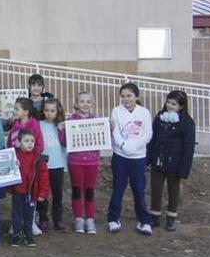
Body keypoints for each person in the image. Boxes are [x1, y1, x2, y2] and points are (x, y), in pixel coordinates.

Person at [107, 82, 154, 236]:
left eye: (129, 96)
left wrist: (135, 147)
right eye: (123, 96)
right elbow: (115, 131)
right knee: (118, 188)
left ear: (136, 96)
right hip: (120, 156)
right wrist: (124, 146)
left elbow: (147, 133)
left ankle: (144, 221)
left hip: (138, 157)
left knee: (139, 189)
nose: (126, 99)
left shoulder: (144, 112)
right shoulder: (116, 111)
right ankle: (113, 219)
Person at [147, 90, 196, 232]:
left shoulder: (187, 122)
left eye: (173, 104)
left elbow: (188, 147)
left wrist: (184, 169)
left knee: (173, 190)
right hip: (158, 161)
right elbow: (153, 139)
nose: (170, 105)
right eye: (168, 102)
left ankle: (171, 219)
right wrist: (149, 158)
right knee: (155, 189)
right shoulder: (159, 118)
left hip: (175, 163)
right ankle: (155, 217)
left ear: (181, 106)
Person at [67, 91, 100, 235]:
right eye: (82, 101)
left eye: (88, 101)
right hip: (75, 161)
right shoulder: (70, 121)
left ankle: (90, 219)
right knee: (76, 190)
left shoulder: (96, 120)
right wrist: (62, 130)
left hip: (92, 161)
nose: (85, 104)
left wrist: (109, 129)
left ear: (92, 104)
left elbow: (104, 137)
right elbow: (64, 141)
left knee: (89, 191)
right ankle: (79, 218)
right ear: (76, 104)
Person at [9, 129, 49, 247]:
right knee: (16, 214)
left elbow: (44, 177)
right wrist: (13, 165)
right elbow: (7, 173)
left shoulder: (39, 159)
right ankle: (16, 234)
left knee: (29, 215)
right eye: (26, 141)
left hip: (31, 192)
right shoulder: (14, 157)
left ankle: (28, 235)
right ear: (19, 142)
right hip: (17, 191)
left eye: (32, 141)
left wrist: (43, 193)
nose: (30, 143)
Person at [40, 98, 69, 233]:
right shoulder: (39, 124)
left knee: (57, 194)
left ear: (58, 111)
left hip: (58, 164)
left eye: (52, 111)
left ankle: (57, 219)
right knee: (43, 194)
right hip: (43, 165)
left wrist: (62, 130)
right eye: (46, 110)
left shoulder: (63, 125)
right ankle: (43, 219)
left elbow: (66, 143)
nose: (49, 113)